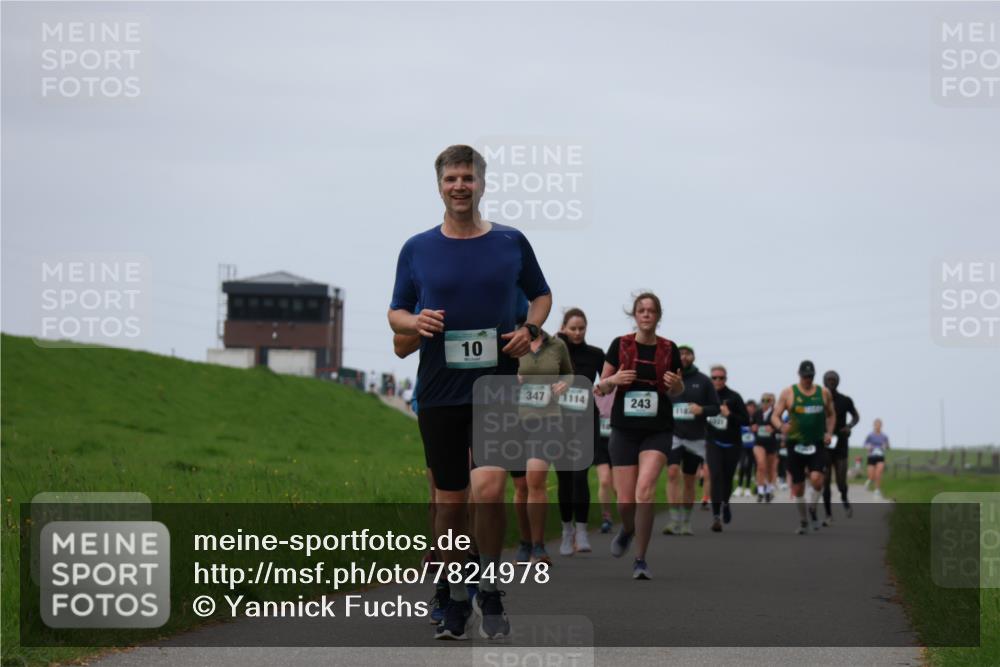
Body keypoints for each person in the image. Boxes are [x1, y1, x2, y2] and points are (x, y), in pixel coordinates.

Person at [389, 145, 553, 640]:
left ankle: (490, 588)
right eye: (451, 179)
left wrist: (531, 327)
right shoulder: (417, 248)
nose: (460, 186)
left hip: (495, 387)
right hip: (440, 390)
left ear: (483, 183)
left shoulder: (510, 241)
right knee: (450, 503)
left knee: (489, 490)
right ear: (439, 185)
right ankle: (453, 592)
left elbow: (542, 294)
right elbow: (395, 311)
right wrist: (414, 320)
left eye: (468, 178)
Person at [595, 292, 684, 579]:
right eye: (641, 310)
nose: (646, 314)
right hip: (624, 429)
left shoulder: (670, 349)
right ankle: (628, 529)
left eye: (651, 310)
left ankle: (640, 559)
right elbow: (601, 389)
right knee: (625, 501)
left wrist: (677, 385)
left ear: (658, 316)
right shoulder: (619, 345)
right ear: (634, 315)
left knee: (644, 491)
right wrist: (613, 380)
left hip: (657, 429)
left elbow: (675, 391)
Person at [510, 323, 574, 565]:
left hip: (548, 420)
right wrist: (512, 376)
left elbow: (568, 372)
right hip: (514, 421)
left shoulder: (557, 345)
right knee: (520, 487)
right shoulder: (510, 343)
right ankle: (525, 542)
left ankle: (538, 546)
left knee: (535, 479)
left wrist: (565, 383)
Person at [556, 308, 605, 554]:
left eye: (581, 328)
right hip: (559, 422)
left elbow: (606, 381)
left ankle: (582, 530)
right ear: (564, 327)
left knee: (579, 475)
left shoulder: (596, 354)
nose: (577, 332)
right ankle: (567, 531)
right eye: (572, 328)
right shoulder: (552, 351)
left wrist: (604, 387)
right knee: (564, 478)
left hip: (586, 421)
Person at [772, 360, 836, 535]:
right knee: (798, 487)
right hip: (795, 444)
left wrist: (829, 433)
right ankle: (803, 520)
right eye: (805, 376)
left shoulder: (823, 393)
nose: (808, 379)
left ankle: (813, 508)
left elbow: (831, 415)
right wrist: (781, 427)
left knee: (817, 479)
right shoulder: (788, 393)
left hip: (816, 443)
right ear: (799, 375)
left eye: (811, 376)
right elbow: (775, 416)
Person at [663, 344, 719, 536]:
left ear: (693, 357)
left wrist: (702, 409)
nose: (684, 357)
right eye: (681, 354)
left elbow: (716, 407)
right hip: (674, 436)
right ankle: (673, 520)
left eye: (688, 354)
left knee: (689, 479)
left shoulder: (703, 381)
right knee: (671, 473)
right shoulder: (667, 378)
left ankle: (686, 521)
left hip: (695, 438)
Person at [705, 365, 749, 532]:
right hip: (713, 442)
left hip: (732, 443)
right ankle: (716, 516)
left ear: (726, 379)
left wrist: (729, 415)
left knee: (727, 478)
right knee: (715, 476)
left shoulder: (734, 397)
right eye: (714, 378)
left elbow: (746, 421)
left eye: (721, 378)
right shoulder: (707, 396)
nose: (717, 381)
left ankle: (725, 503)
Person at [822, 370, 860, 524]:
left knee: (840, 481)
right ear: (824, 381)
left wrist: (849, 426)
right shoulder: (818, 400)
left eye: (834, 379)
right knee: (825, 482)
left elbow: (856, 416)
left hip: (841, 443)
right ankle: (828, 515)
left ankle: (844, 497)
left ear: (838, 382)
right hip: (824, 443)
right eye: (829, 379)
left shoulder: (845, 400)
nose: (831, 381)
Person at [594, 389, 616, 533]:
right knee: (604, 481)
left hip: (617, 441)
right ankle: (606, 517)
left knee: (618, 486)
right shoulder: (595, 390)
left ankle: (628, 517)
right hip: (599, 441)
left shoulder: (621, 389)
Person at [752, 393, 780, 502]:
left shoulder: (776, 414)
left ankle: (768, 490)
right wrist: (752, 427)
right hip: (759, 443)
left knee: (769, 468)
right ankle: (760, 491)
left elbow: (781, 427)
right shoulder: (757, 413)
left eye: (768, 400)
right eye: (763, 400)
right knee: (761, 465)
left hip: (771, 444)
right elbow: (751, 424)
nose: (765, 402)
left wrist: (773, 429)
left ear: (773, 402)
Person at [734, 400, 758, 497]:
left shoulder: (757, 418)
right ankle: (739, 487)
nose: (750, 409)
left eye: (752, 407)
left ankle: (747, 488)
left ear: (754, 409)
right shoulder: (741, 417)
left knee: (750, 466)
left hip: (753, 446)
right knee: (743, 465)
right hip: (742, 445)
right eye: (748, 407)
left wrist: (756, 429)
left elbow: (760, 429)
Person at [864, 419, 890, 498]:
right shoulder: (870, 435)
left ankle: (877, 490)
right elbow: (865, 444)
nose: (878, 426)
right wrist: (868, 447)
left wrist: (886, 446)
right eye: (876, 425)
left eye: (879, 425)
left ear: (881, 426)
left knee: (878, 473)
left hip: (880, 456)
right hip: (871, 456)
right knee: (871, 475)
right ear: (874, 425)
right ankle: (870, 480)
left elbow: (888, 446)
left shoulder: (884, 436)